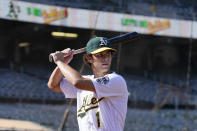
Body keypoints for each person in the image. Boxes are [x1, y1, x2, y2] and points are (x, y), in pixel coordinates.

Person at [48, 37, 128, 131]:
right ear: (89, 58)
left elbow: (78, 82)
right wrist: (63, 63)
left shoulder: (116, 80)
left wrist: (59, 62)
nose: (106, 58)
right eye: (100, 55)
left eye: (108, 54)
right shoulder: (86, 80)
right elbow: (53, 85)